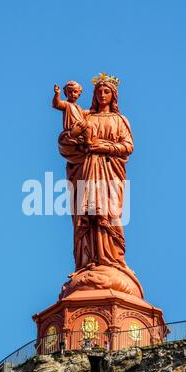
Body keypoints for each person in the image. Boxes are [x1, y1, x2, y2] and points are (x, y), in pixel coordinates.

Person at [58, 73, 134, 274]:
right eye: (98, 91)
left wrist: (103, 146)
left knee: (109, 213)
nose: (102, 94)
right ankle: (87, 260)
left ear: (113, 95)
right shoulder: (85, 117)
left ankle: (114, 260)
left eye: (106, 91)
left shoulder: (119, 120)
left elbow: (128, 146)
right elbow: (66, 143)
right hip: (87, 170)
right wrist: (75, 137)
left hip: (109, 173)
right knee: (87, 214)